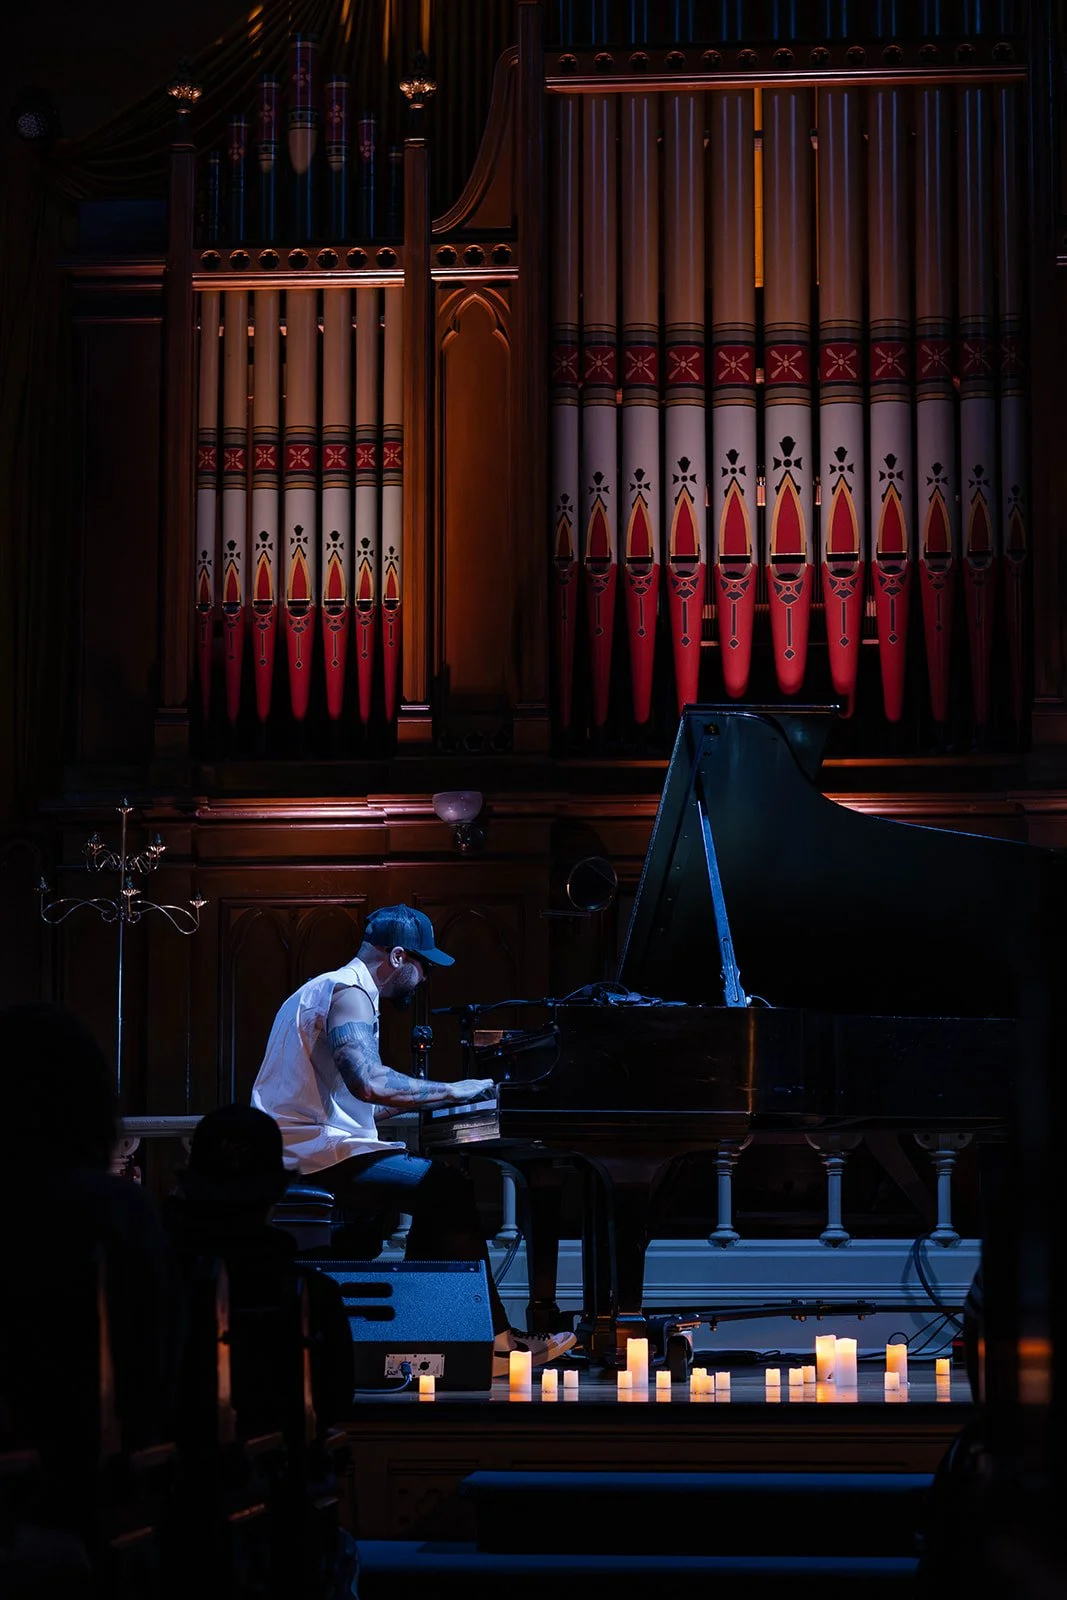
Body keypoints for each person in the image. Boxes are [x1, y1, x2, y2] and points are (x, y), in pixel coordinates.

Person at [251, 904, 575, 1375]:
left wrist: (441, 1104)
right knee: (445, 1188)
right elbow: (369, 1082)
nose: (424, 978)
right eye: (423, 965)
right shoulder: (351, 992)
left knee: (431, 1195)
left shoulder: (320, 990)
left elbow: (358, 1099)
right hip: (310, 1153)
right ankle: (497, 1343)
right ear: (399, 957)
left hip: (303, 1145)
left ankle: (434, 1334)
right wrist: (454, 1090)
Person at [161, 1103, 355, 1436]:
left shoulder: (154, 1285)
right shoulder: (314, 1294)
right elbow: (334, 1401)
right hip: (276, 1478)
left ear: (189, 1189)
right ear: (278, 1194)